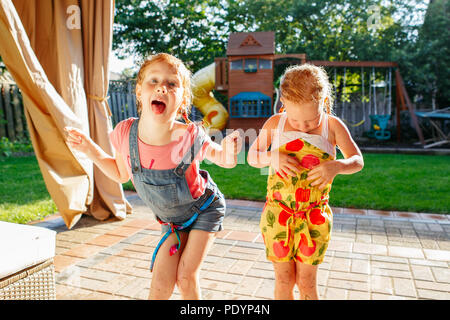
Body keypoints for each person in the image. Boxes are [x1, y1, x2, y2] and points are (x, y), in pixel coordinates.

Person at [65, 53, 242, 300]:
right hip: (171, 221)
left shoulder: (190, 134)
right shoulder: (126, 133)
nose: (162, 87)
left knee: (185, 277)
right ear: (139, 91)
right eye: (154, 81)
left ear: (182, 100)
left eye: (171, 84)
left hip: (204, 210)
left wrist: (230, 151)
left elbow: (224, 160)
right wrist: (90, 150)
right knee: (160, 285)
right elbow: (119, 173)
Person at [247, 64, 364, 300]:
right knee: (284, 280)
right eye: (295, 119)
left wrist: (339, 165)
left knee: (306, 282)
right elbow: (252, 157)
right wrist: (271, 155)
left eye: (310, 121)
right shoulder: (275, 123)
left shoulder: (332, 126)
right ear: (283, 104)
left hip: (314, 217)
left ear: (324, 101)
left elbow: (357, 160)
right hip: (277, 216)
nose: (302, 126)